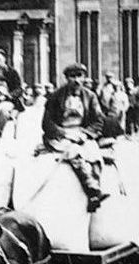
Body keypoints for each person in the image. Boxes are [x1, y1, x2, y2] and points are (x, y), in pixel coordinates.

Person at [40, 63, 108, 211]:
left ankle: (95, 193)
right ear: (66, 78)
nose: (76, 80)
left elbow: (98, 120)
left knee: (93, 154)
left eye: (79, 76)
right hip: (61, 135)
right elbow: (47, 122)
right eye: (72, 76)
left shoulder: (90, 96)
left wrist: (85, 134)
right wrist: (65, 133)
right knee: (73, 151)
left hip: (82, 134)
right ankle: (91, 187)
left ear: (84, 78)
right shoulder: (56, 96)